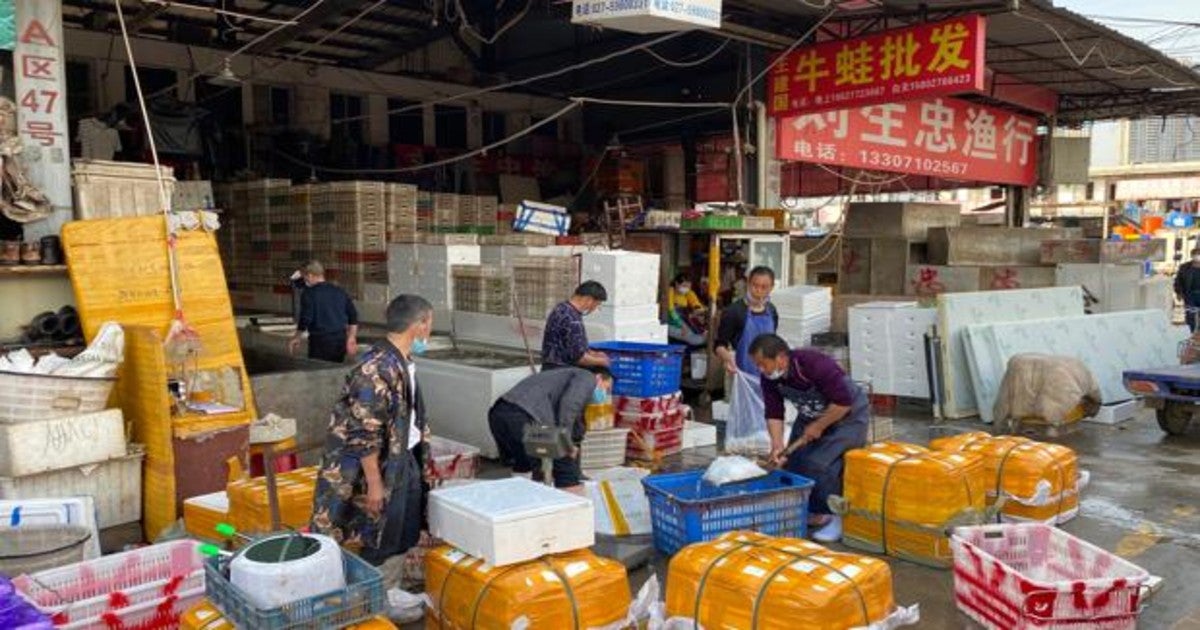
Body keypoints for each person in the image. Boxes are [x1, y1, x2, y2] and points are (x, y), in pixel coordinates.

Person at [310, 295, 433, 565]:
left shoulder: (402, 361)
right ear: (420, 325)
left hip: (403, 458)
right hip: (376, 467)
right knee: (376, 535)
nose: (429, 333)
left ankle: (392, 583)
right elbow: (363, 434)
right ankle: (376, 585)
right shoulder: (375, 368)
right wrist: (375, 484)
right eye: (429, 325)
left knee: (404, 530)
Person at [749, 334, 869, 543]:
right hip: (811, 414)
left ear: (780, 358)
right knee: (794, 463)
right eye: (757, 365)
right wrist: (777, 446)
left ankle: (838, 517)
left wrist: (819, 426)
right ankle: (815, 511)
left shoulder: (814, 365)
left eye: (762, 364)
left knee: (820, 464)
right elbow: (774, 412)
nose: (760, 369)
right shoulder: (770, 379)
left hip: (847, 415)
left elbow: (843, 403)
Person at [488, 367, 614, 494]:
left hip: (498, 414)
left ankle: (523, 498)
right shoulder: (587, 377)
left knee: (524, 463)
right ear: (599, 377)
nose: (604, 394)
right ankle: (572, 503)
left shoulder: (558, 377)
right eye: (606, 388)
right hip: (523, 415)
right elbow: (570, 405)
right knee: (565, 466)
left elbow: (572, 416)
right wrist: (566, 443)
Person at [288, 261, 359, 363]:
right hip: (340, 340)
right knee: (336, 369)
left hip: (320, 341)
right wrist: (351, 337)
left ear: (310, 275)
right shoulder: (339, 291)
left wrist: (297, 336)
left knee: (319, 369)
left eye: (304, 277)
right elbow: (353, 315)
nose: (305, 280)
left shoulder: (309, 294)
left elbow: (306, 318)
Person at [715, 266, 779, 378]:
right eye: (755, 285)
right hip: (742, 376)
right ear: (748, 284)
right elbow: (719, 345)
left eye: (764, 287)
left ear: (771, 287)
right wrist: (727, 358)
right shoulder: (734, 311)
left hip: (767, 375)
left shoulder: (771, 310)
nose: (758, 290)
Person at [541, 281, 610, 370]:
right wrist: (603, 361)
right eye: (597, 304)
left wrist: (592, 354)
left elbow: (570, 345)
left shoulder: (560, 308)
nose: (595, 308)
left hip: (549, 366)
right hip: (562, 371)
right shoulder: (573, 319)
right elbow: (579, 358)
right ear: (589, 300)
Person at [665, 272, 707, 347]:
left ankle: (702, 334)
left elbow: (695, 303)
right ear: (676, 284)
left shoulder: (688, 293)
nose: (686, 288)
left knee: (693, 319)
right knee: (692, 336)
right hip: (672, 319)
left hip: (684, 317)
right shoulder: (670, 291)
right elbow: (671, 310)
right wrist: (681, 325)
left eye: (688, 286)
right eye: (684, 286)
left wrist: (698, 310)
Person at [1175, 247, 1200, 331]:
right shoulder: (1184, 267)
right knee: (1190, 315)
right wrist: (1178, 292)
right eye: (1195, 255)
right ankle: (1190, 332)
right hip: (1190, 295)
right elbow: (1178, 281)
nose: (1197, 256)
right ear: (1191, 256)